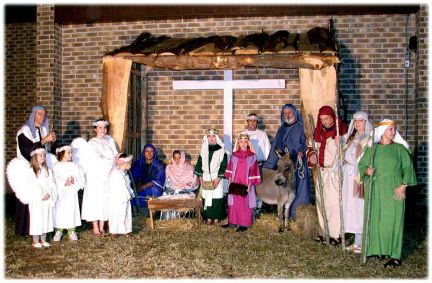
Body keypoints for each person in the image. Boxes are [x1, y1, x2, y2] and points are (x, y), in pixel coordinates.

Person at [359, 119, 416, 268]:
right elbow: (362, 165)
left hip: (394, 190)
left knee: (393, 221)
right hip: (376, 188)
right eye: (390, 129)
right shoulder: (372, 150)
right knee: (376, 219)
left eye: (394, 129)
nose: (393, 132)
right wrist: (366, 170)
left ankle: (395, 255)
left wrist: (403, 186)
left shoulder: (399, 149)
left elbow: (408, 168)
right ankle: (378, 249)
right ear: (382, 131)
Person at [307, 105, 347, 246]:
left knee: (334, 204)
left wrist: (340, 143)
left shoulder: (342, 132)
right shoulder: (318, 133)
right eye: (322, 119)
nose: (325, 122)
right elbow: (310, 148)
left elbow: (349, 153)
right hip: (321, 172)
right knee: (321, 202)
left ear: (333, 118)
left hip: (334, 173)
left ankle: (337, 235)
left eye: (327, 118)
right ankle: (324, 233)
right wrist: (312, 156)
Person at [264, 104, 311, 219]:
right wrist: (270, 166)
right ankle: (286, 216)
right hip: (285, 166)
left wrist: (302, 152)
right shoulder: (281, 129)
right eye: (285, 113)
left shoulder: (301, 127)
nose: (287, 115)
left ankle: (298, 216)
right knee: (285, 189)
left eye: (289, 112)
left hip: (298, 163)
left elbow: (307, 144)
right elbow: (276, 146)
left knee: (299, 189)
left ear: (294, 113)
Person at [15, 105, 56, 236]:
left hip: (41, 170)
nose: (42, 117)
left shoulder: (43, 130)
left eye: (44, 114)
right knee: (30, 197)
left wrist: (51, 142)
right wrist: (44, 140)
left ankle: (43, 228)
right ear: (33, 115)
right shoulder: (24, 131)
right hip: (28, 169)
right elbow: (28, 151)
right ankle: (27, 230)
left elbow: (45, 151)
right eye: (39, 114)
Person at [341, 111, 373, 254]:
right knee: (351, 208)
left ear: (366, 123)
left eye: (361, 121)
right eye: (356, 121)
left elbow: (365, 159)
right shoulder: (351, 137)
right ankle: (356, 241)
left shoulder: (369, 139)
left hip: (358, 177)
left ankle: (362, 242)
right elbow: (343, 153)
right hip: (348, 176)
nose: (358, 123)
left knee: (359, 207)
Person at [81, 119, 118, 236]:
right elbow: (97, 160)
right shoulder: (92, 143)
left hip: (107, 175)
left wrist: (113, 161)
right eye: (100, 127)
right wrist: (110, 161)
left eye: (105, 127)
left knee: (104, 200)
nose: (103, 130)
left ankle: (102, 227)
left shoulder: (109, 141)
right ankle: (95, 228)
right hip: (95, 177)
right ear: (95, 129)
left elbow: (115, 157)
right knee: (95, 200)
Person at [223, 133, 262, 232]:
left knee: (244, 202)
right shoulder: (234, 155)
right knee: (234, 202)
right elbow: (231, 169)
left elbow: (254, 171)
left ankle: (244, 224)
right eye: (241, 142)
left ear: (248, 143)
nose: (243, 144)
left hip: (246, 182)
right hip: (235, 182)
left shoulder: (252, 156)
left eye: (245, 142)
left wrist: (249, 185)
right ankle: (232, 222)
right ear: (238, 143)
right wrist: (229, 182)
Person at [194, 128, 228, 225]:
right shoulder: (203, 149)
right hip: (205, 177)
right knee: (206, 197)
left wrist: (218, 179)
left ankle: (217, 218)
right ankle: (208, 218)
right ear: (207, 138)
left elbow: (224, 165)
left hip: (216, 176)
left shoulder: (221, 150)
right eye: (209, 136)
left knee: (217, 197)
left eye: (214, 136)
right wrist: (200, 178)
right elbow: (199, 164)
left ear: (216, 137)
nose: (211, 138)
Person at [52, 145, 85, 242]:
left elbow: (79, 177)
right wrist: (64, 182)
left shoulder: (74, 165)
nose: (71, 154)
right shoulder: (56, 166)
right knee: (59, 211)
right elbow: (54, 179)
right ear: (62, 153)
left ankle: (71, 231)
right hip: (61, 193)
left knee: (71, 210)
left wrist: (74, 179)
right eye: (69, 153)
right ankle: (59, 230)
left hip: (71, 193)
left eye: (71, 152)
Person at [241, 113, 270, 218]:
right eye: (250, 120)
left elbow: (267, 150)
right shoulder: (243, 134)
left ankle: (257, 209)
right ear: (247, 122)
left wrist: (266, 163)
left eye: (254, 120)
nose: (252, 122)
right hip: (245, 165)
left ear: (257, 122)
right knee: (247, 186)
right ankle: (247, 208)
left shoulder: (262, 135)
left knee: (257, 186)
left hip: (258, 164)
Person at [28, 147, 56, 248]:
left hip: (47, 199)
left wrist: (48, 193)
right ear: (35, 157)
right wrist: (41, 195)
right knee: (37, 218)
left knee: (45, 218)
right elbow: (33, 185)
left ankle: (43, 239)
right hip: (37, 200)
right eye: (40, 155)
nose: (43, 157)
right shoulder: (32, 171)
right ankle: (35, 240)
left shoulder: (47, 170)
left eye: (44, 155)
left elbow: (51, 183)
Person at [130, 144, 165, 216]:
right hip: (139, 187)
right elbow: (134, 178)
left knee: (155, 191)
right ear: (144, 152)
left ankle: (152, 214)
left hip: (152, 186)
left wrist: (144, 186)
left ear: (154, 153)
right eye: (147, 151)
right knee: (132, 193)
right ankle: (137, 213)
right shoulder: (138, 164)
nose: (149, 154)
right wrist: (138, 186)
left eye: (151, 151)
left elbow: (159, 180)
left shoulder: (159, 165)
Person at [108, 153, 135, 239]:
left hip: (125, 198)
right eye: (130, 163)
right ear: (124, 163)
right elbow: (121, 188)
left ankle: (127, 231)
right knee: (117, 214)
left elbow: (127, 185)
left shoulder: (124, 174)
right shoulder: (116, 174)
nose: (131, 164)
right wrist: (127, 195)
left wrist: (131, 193)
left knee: (126, 214)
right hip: (118, 199)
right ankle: (114, 232)